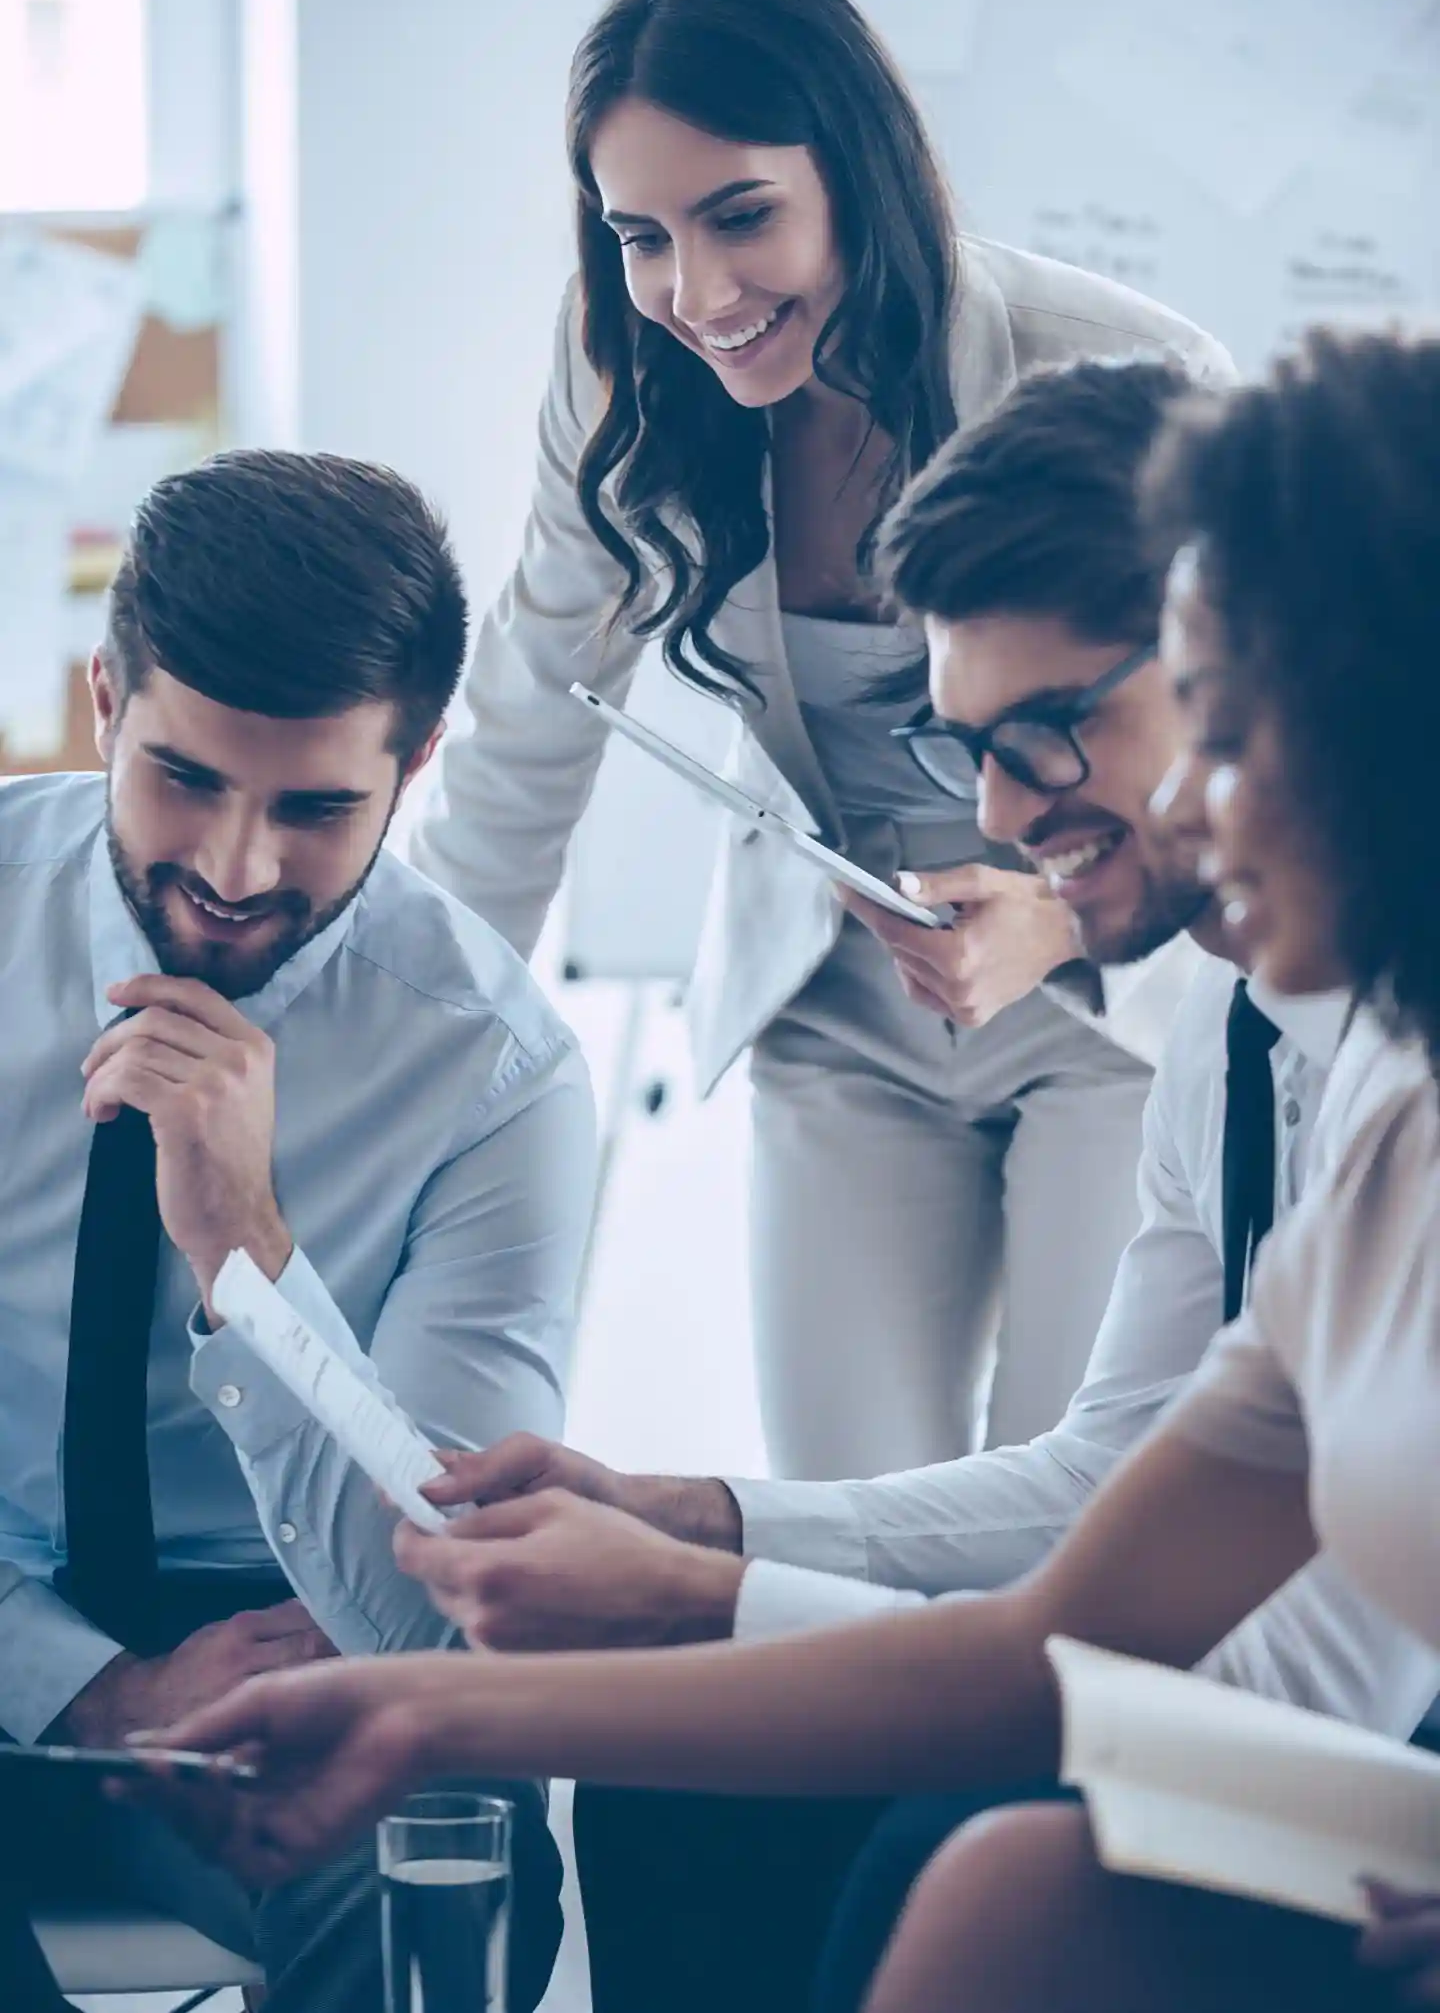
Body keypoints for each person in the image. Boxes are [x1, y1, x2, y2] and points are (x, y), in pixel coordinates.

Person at [143, 333, 1440, 2013]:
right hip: (1344, 1767)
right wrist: (444, 1705)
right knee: (752, 1816)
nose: (1015, 816)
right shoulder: (1279, 1055)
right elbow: (1090, 1570)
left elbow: (1232, 1699)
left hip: (1347, 1761)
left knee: (989, 1883)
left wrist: (694, 1596)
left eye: (1222, 736)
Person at [414, 0, 1236, 1481]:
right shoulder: (624, 381)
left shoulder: (1122, 376)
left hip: (1109, 996)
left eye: (743, 217)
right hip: (835, 1003)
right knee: (852, 1519)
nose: (698, 293)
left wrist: (1051, 922)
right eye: (642, 236)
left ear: (856, 171)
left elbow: (1268, 751)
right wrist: (400, 1054)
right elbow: (528, 721)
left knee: (1068, 1518)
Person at [0, 449, 595, 2011]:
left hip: (287, 1658)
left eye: (318, 807)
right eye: (183, 778)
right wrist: (87, 1693)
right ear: (103, 704)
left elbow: (435, 1594)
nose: (234, 871)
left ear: (419, 765)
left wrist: (245, 1253)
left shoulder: (493, 1068)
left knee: (437, 1838)